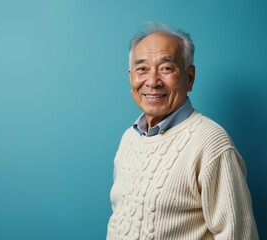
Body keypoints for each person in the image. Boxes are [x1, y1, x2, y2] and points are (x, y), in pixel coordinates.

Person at [106, 23, 258, 240]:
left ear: (189, 77)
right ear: (131, 77)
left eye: (166, 68)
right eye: (142, 69)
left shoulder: (211, 142)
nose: (152, 81)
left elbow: (239, 235)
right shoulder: (129, 138)